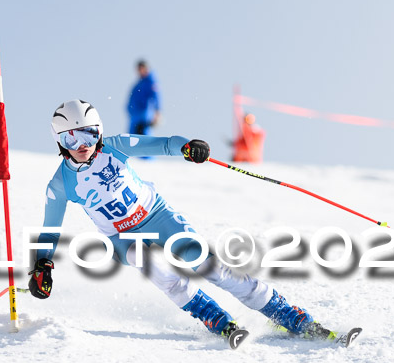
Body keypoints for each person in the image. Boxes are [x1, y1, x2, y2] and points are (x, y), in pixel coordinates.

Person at [28, 99, 341, 345]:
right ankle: (214, 317)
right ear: (59, 141)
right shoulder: (60, 185)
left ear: (99, 132)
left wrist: (188, 147)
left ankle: (288, 315)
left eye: (89, 133)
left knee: (206, 264)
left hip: (157, 216)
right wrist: (42, 264)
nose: (82, 144)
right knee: (146, 259)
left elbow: (164, 143)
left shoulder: (115, 146)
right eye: (71, 137)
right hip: (122, 236)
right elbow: (50, 229)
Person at [127, 60, 161, 135]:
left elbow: (156, 97)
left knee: (143, 138)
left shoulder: (151, 82)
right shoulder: (139, 83)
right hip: (135, 117)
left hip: (143, 117)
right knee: (131, 139)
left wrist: (157, 112)